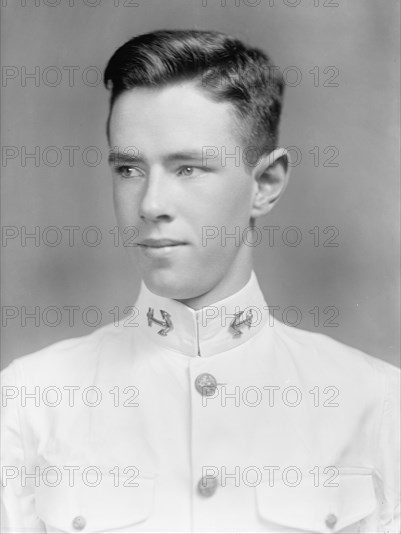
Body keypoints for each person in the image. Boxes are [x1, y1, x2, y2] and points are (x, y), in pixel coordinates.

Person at [1, 29, 399, 533]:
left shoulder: (375, 403)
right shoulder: (29, 401)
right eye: (129, 169)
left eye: (188, 168)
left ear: (266, 184)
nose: (150, 205)